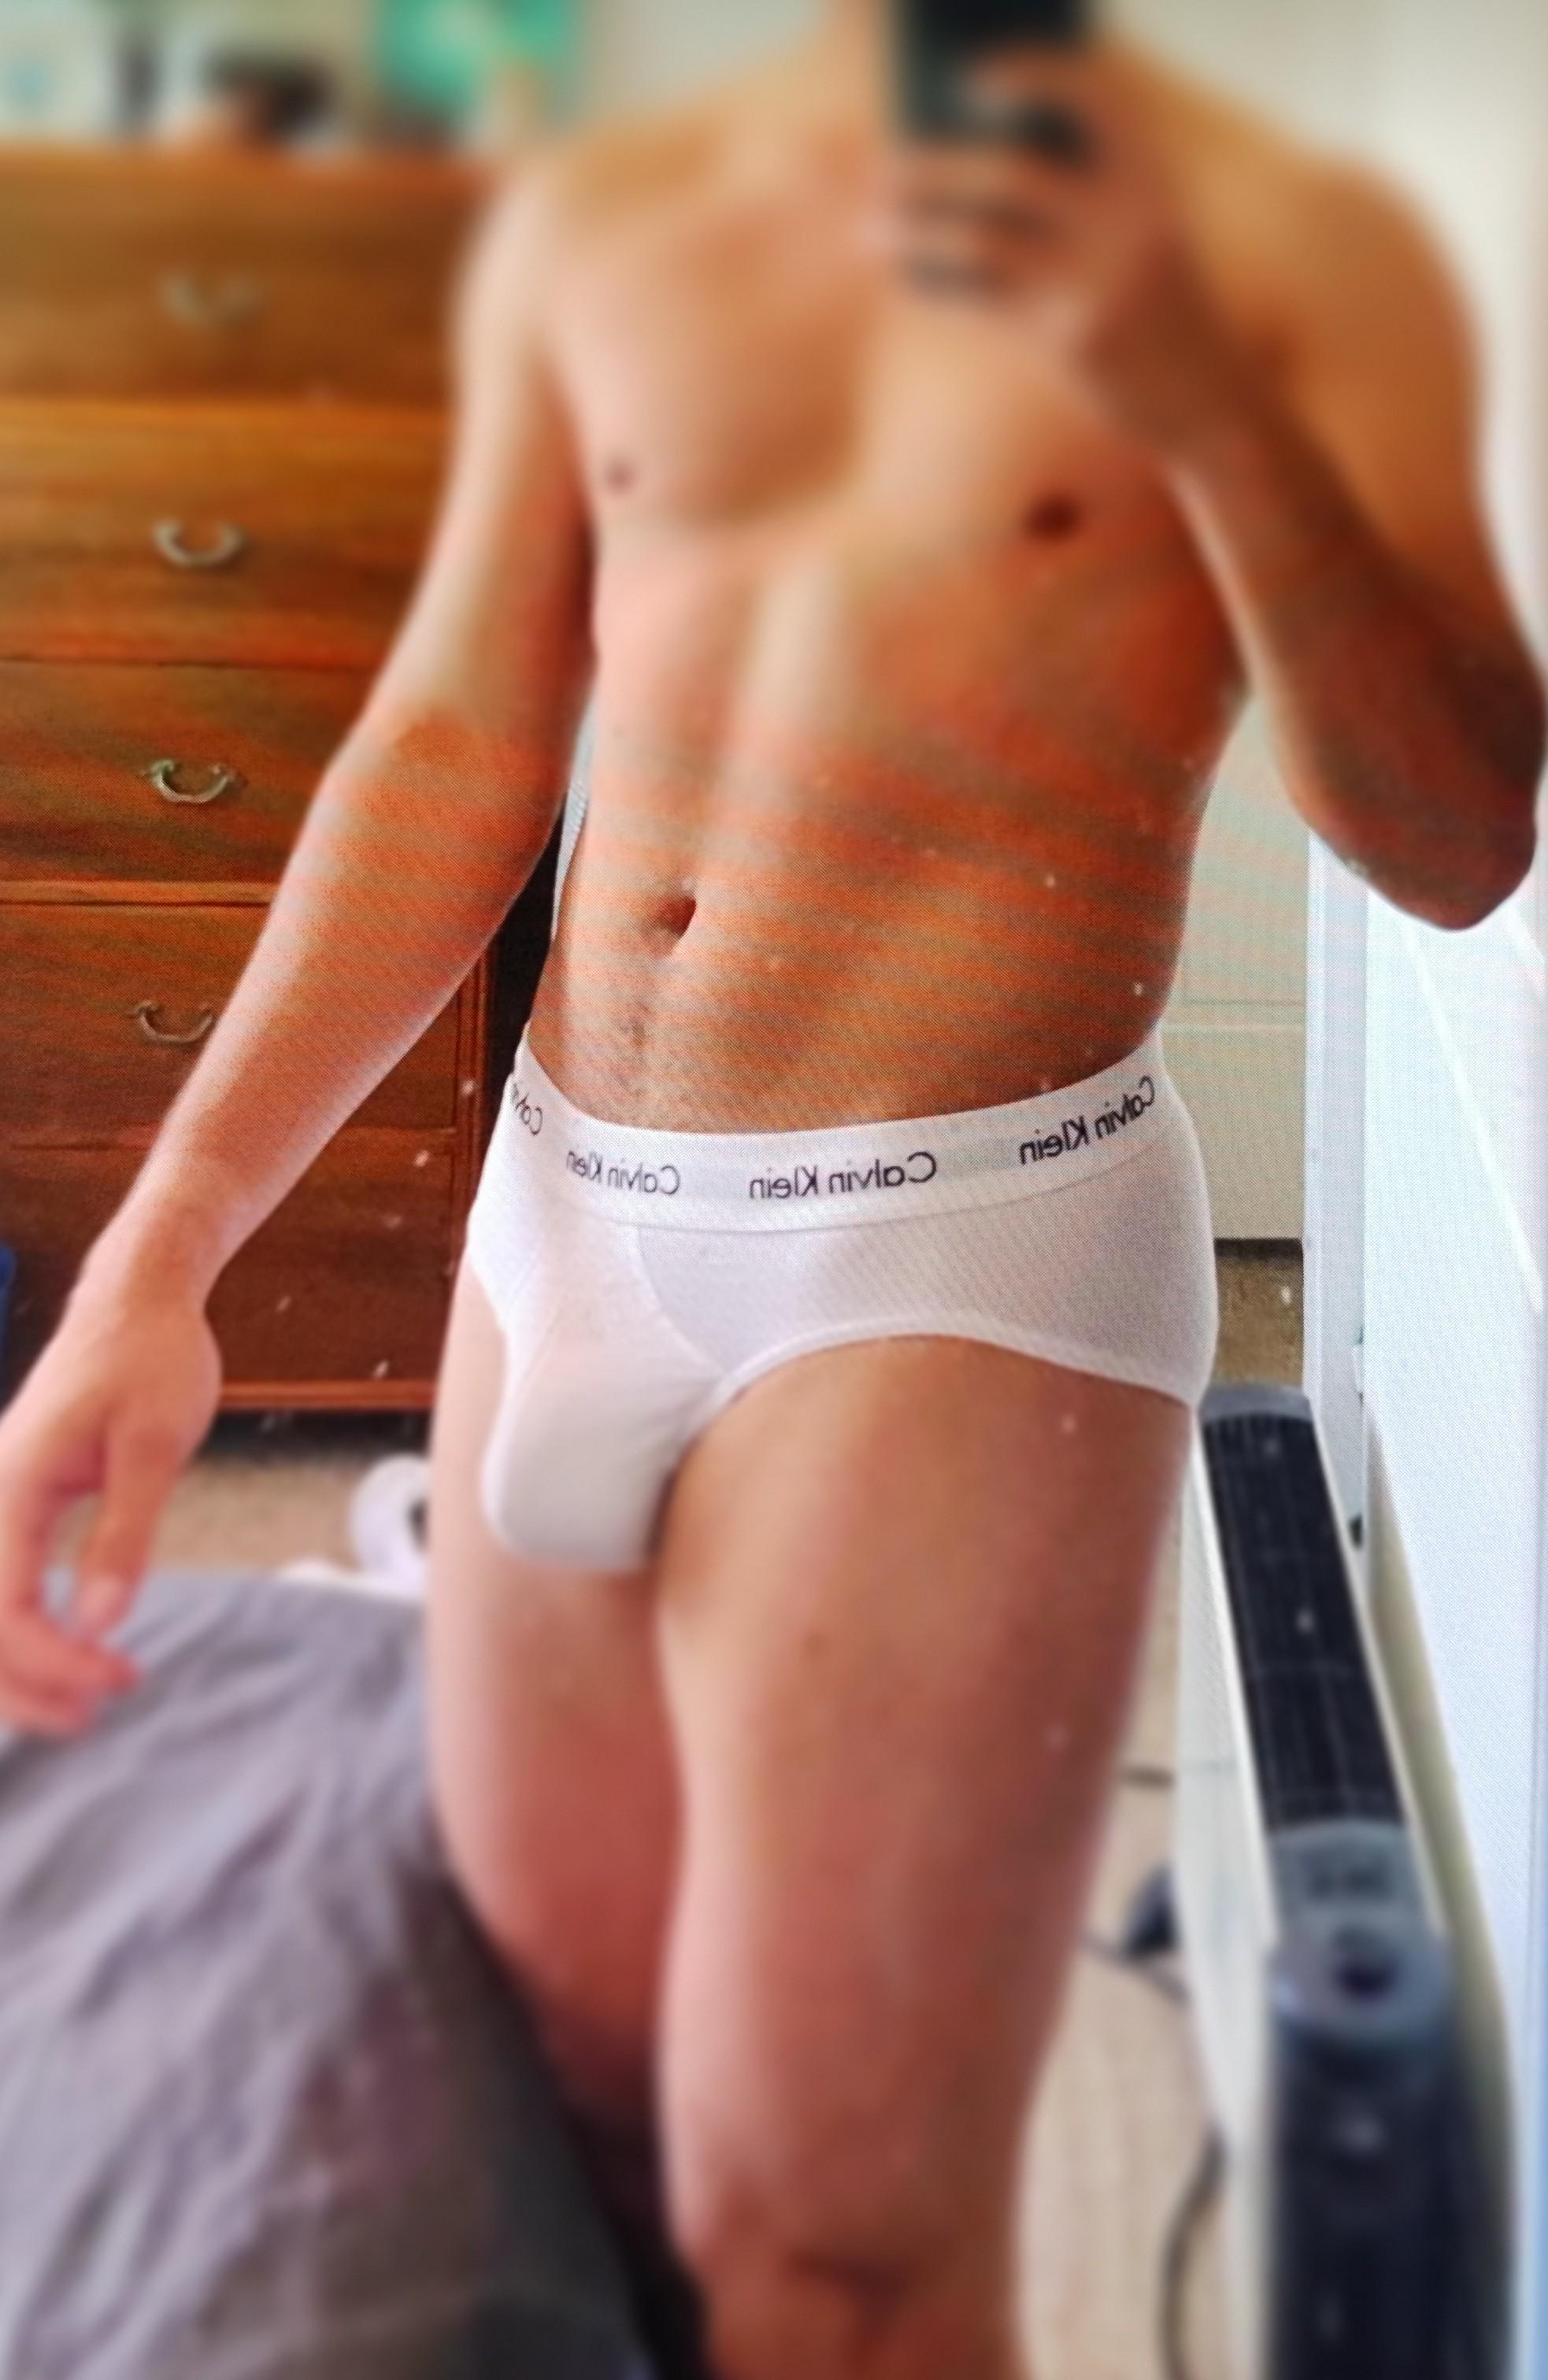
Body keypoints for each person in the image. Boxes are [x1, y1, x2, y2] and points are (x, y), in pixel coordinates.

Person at [0, 6, 1541, 2375]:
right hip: (560, 1211)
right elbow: (452, 739)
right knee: (592, 2095)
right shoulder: (617, 212)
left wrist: (1216, 412)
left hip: (942, 1249)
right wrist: (161, 1252)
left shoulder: (1292, 246)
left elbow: (1458, 836)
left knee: (833, 2251)